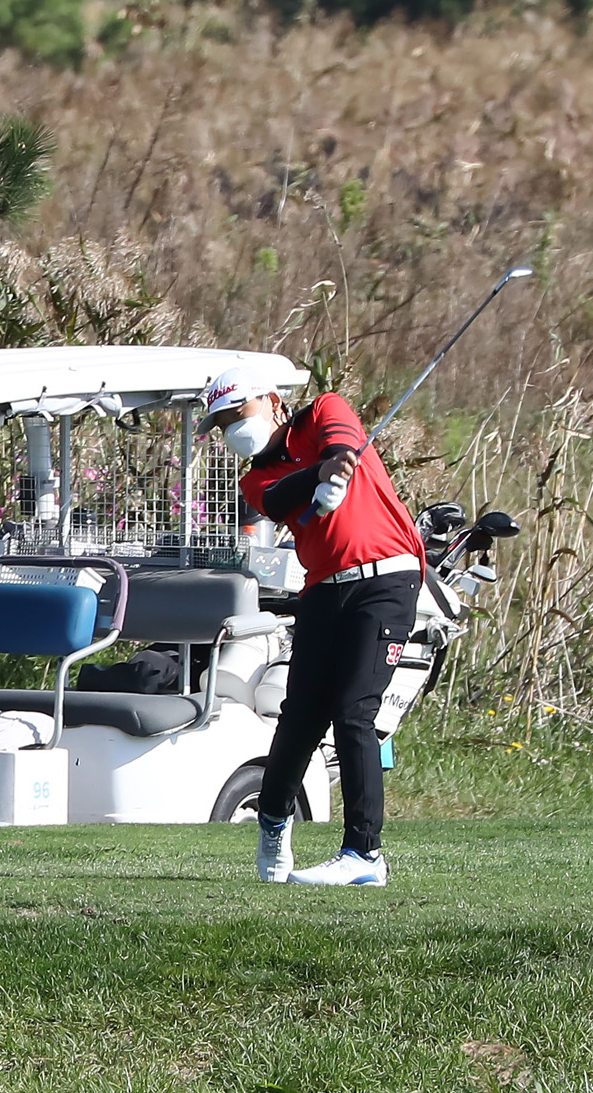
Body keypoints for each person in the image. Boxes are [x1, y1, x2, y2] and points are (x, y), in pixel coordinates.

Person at [201, 365, 424, 888]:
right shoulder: (255, 476)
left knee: (354, 712)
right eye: (223, 423)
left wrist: (333, 467)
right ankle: (274, 822)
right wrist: (314, 482)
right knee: (300, 717)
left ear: (273, 401)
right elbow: (276, 501)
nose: (235, 429)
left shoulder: (325, 407)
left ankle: (364, 856)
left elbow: (341, 441)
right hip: (323, 590)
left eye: (238, 414)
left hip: (387, 579)